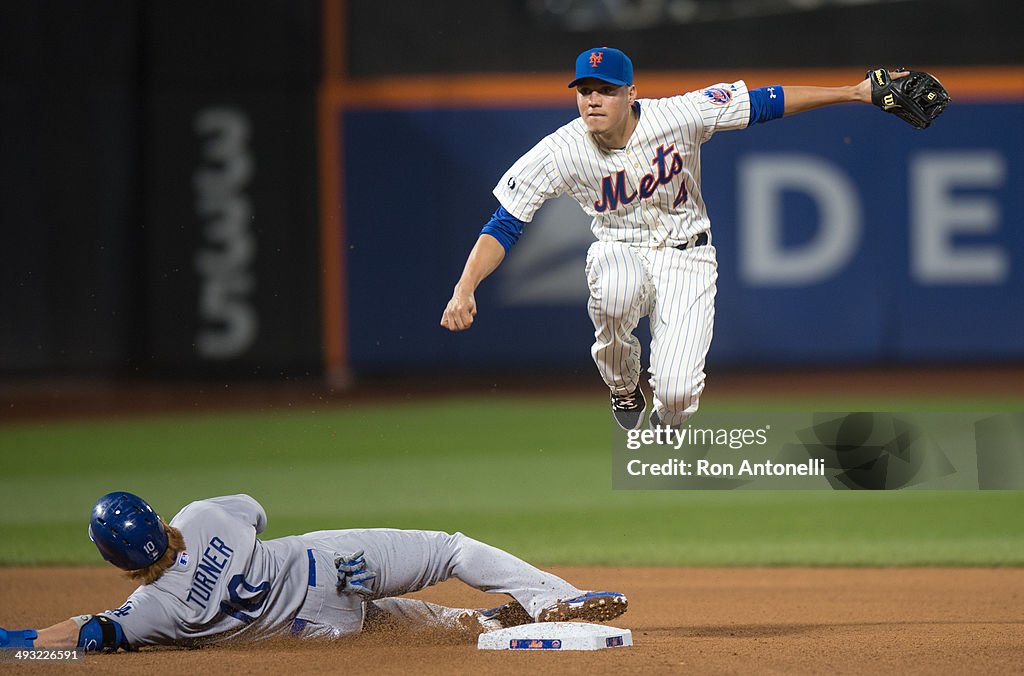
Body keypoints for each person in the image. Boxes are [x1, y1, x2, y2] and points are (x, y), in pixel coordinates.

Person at [440, 47, 908, 430]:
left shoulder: (679, 115)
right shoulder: (560, 150)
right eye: (585, 91)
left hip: (689, 255)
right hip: (618, 248)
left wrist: (856, 92)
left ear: (631, 93)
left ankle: (668, 418)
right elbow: (505, 222)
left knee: (680, 393)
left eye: (606, 90)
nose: (594, 100)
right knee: (617, 288)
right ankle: (623, 387)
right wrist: (465, 287)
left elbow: (765, 102)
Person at [0, 492, 627, 652]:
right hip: (333, 564)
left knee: (377, 628)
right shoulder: (205, 514)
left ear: (114, 560)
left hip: (316, 628)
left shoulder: (155, 612)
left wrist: (19, 647)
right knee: (450, 548)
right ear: (155, 515)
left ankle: (478, 624)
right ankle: (553, 601)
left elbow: (83, 638)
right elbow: (257, 512)